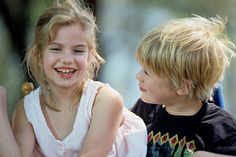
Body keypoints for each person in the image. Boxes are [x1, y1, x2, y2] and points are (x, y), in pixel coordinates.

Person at [7, 0, 147, 156]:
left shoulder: (104, 100)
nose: (67, 59)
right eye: (56, 49)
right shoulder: (27, 110)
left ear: (91, 56)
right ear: (38, 54)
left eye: (78, 51)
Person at [131, 15, 236, 157]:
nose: (138, 76)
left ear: (181, 86)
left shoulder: (220, 127)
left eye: (147, 73)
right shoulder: (146, 108)